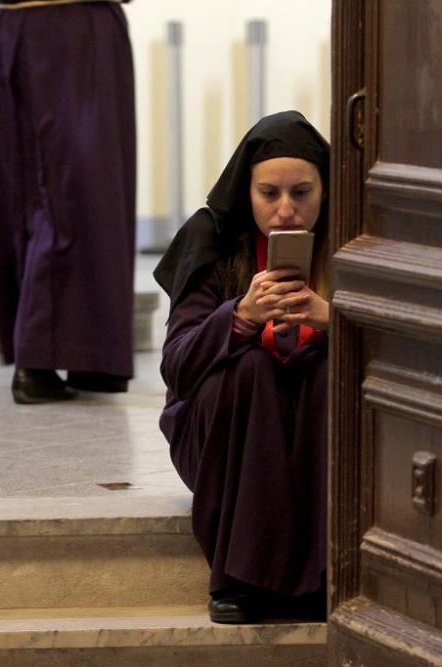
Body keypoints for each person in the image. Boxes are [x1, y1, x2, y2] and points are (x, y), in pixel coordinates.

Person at [153, 111, 330, 623]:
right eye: (268, 194)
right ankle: (239, 578)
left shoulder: (351, 242)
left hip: (313, 427)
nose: (285, 211)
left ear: (325, 190)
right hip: (222, 433)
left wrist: (333, 319)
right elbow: (179, 368)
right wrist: (240, 316)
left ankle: (319, 577)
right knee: (250, 367)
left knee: (324, 372)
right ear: (246, 191)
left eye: (302, 193)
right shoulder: (213, 240)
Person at [0, 0, 136, 404]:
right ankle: (41, 355)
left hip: (22, 25)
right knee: (71, 190)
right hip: (70, 26)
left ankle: (81, 352)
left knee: (41, 189)